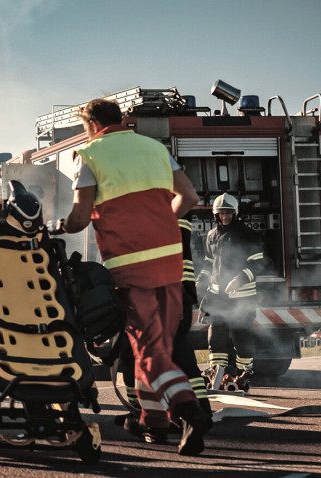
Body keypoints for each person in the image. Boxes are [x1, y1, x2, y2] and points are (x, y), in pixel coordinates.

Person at [51, 98, 212, 456]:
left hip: (131, 266)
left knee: (149, 350)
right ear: (120, 120)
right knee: (157, 348)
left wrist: (55, 226)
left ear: (91, 125)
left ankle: (188, 410)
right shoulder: (154, 148)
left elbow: (78, 218)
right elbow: (188, 196)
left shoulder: (90, 156)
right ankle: (152, 423)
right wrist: (163, 226)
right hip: (171, 262)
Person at [116, 213, 213, 443]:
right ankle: (196, 412)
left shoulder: (149, 204)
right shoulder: (175, 200)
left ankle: (161, 420)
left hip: (154, 289)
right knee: (176, 350)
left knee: (142, 354)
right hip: (179, 291)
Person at [198, 193, 265, 392]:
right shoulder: (211, 236)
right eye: (221, 213)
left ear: (235, 214)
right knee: (215, 335)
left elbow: (258, 263)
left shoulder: (246, 234)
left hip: (242, 297)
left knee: (241, 335)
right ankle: (217, 371)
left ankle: (245, 374)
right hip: (216, 297)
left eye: (228, 213)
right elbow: (209, 264)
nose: (225, 217)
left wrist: (240, 279)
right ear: (215, 215)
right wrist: (202, 278)